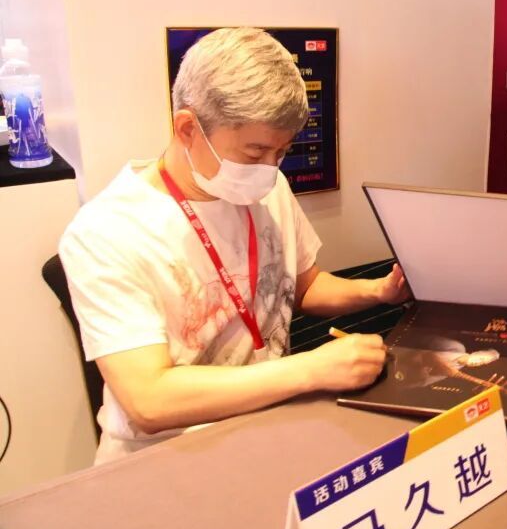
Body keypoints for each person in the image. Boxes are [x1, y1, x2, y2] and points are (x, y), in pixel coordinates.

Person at [59, 27, 409, 464]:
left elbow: (302, 286)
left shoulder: (269, 187)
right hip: (166, 456)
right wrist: (312, 369)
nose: (269, 169)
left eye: (281, 152)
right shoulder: (106, 232)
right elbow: (149, 400)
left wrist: (378, 291)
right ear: (188, 128)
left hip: (268, 428)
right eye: (254, 152)